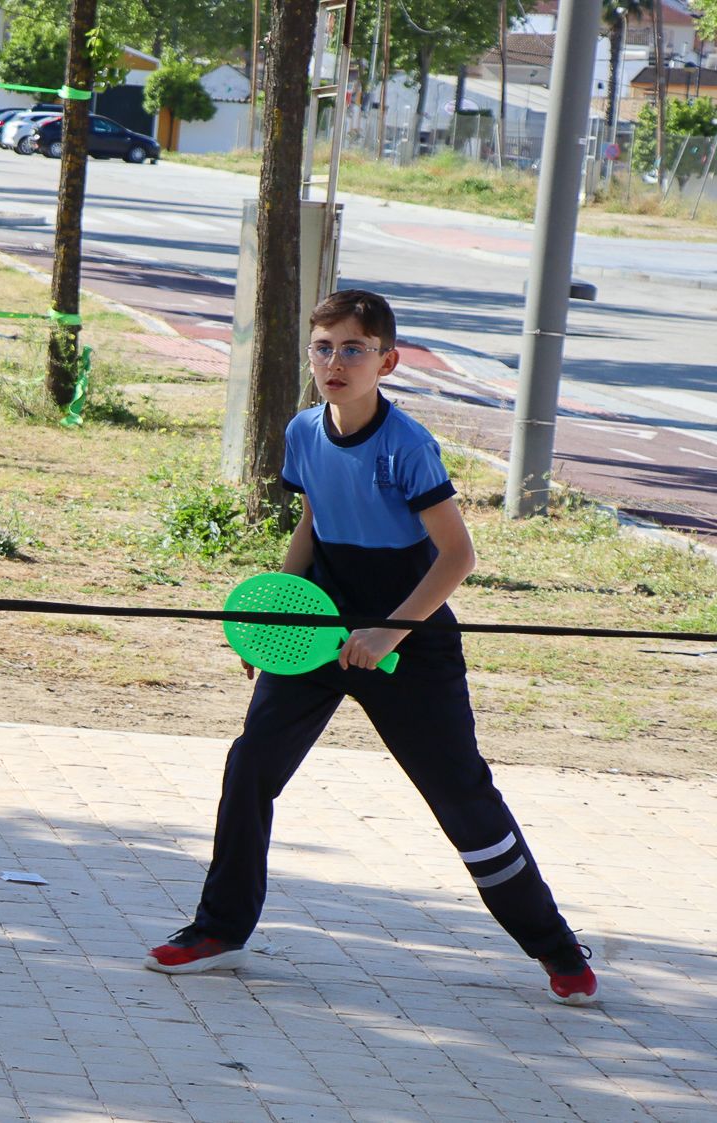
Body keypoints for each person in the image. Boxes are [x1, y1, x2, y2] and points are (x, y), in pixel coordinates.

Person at [143, 289, 598, 1007]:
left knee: (462, 797)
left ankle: (557, 948)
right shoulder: (302, 431)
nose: (335, 362)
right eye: (323, 347)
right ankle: (219, 930)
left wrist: (390, 630)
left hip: (409, 638)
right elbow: (314, 522)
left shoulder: (407, 444)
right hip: (322, 627)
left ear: (386, 360)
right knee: (251, 765)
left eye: (353, 349)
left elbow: (458, 556)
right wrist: (273, 618)